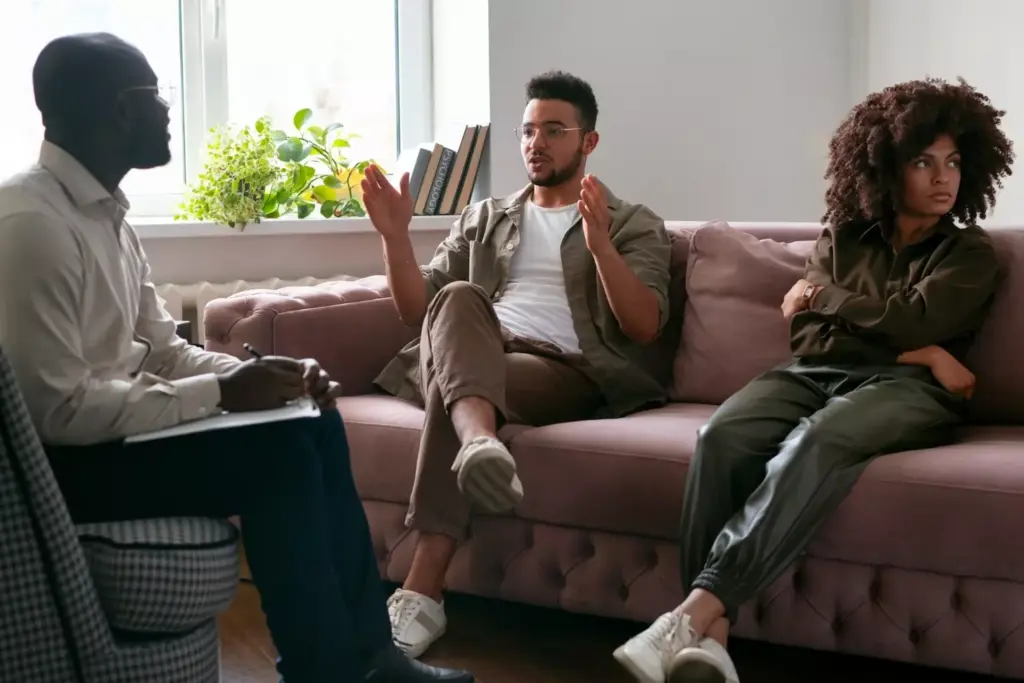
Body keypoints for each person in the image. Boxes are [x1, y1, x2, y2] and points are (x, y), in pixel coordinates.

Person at [0, 32, 475, 683]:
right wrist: (224, 395)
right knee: (276, 457)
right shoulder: (32, 224)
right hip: (65, 472)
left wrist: (272, 381)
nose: (168, 109)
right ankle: (323, 671)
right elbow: (56, 413)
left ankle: (371, 655)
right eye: (154, 95)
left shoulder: (106, 215)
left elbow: (165, 352)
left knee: (313, 418)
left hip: (113, 440)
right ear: (117, 111)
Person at [614, 77, 1015, 683]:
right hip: (820, 372)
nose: (944, 178)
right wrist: (926, 352)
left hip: (908, 394)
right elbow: (807, 338)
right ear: (885, 166)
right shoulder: (842, 236)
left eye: (954, 162)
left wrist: (828, 297)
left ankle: (691, 613)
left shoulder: (971, 253)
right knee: (719, 436)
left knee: (817, 441)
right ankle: (712, 637)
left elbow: (915, 316)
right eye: (924, 162)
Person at [359, 70, 672, 657]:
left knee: (454, 383)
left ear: (589, 141)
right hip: (475, 350)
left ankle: (420, 592)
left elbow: (644, 325)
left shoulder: (631, 222)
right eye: (528, 131)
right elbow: (415, 311)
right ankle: (479, 441)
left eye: (555, 130)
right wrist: (396, 237)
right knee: (456, 299)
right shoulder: (484, 217)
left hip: (558, 371)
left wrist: (601, 243)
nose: (537, 143)